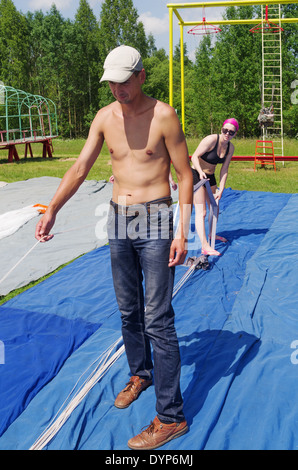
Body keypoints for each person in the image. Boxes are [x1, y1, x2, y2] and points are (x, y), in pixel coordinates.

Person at [35, 45, 193, 450]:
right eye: (112, 83)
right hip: (118, 219)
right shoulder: (104, 118)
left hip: (156, 218)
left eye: (124, 82)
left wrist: (182, 232)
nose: (118, 90)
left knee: (158, 318)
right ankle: (140, 372)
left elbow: (185, 174)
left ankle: (171, 417)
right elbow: (80, 166)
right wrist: (52, 209)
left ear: (141, 76)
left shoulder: (164, 115)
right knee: (128, 309)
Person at [191, 118, 239, 256]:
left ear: (235, 134)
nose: (227, 134)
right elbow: (194, 157)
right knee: (202, 211)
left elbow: (224, 169)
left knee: (215, 206)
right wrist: (200, 172)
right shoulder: (211, 140)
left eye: (231, 132)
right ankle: (205, 245)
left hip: (209, 176)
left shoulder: (230, 147)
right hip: (196, 173)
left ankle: (212, 234)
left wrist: (222, 188)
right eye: (225, 130)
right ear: (221, 129)